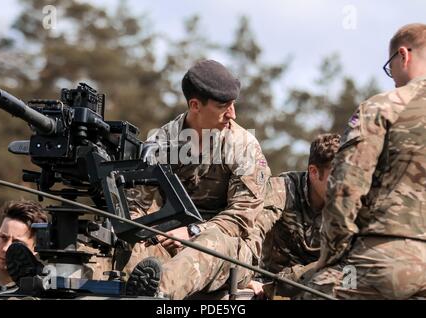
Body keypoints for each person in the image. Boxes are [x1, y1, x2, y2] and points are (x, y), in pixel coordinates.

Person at [121, 59, 272, 299]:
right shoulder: (163, 142)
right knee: (129, 243)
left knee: (211, 243)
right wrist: (147, 234)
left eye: (233, 104)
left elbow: (242, 217)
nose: (232, 113)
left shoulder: (244, 146)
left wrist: (192, 231)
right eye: (224, 105)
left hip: (231, 249)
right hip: (172, 243)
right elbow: (136, 206)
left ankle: (158, 294)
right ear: (195, 105)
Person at [300, 23, 426, 299]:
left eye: (389, 66)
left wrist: (330, 255)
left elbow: (346, 187)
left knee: (310, 290)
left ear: (403, 55)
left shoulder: (382, 107)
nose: (391, 76)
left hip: (382, 261)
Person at [246, 133, 341, 298]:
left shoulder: (350, 203)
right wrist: (245, 276)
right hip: (267, 286)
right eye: (337, 177)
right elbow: (253, 228)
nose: (344, 184)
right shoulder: (283, 188)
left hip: (317, 285)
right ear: (313, 171)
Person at [0, 200, 48, 292]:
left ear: (36, 247)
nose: (5, 248)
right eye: (3, 237)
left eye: (16, 243)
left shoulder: (46, 287)